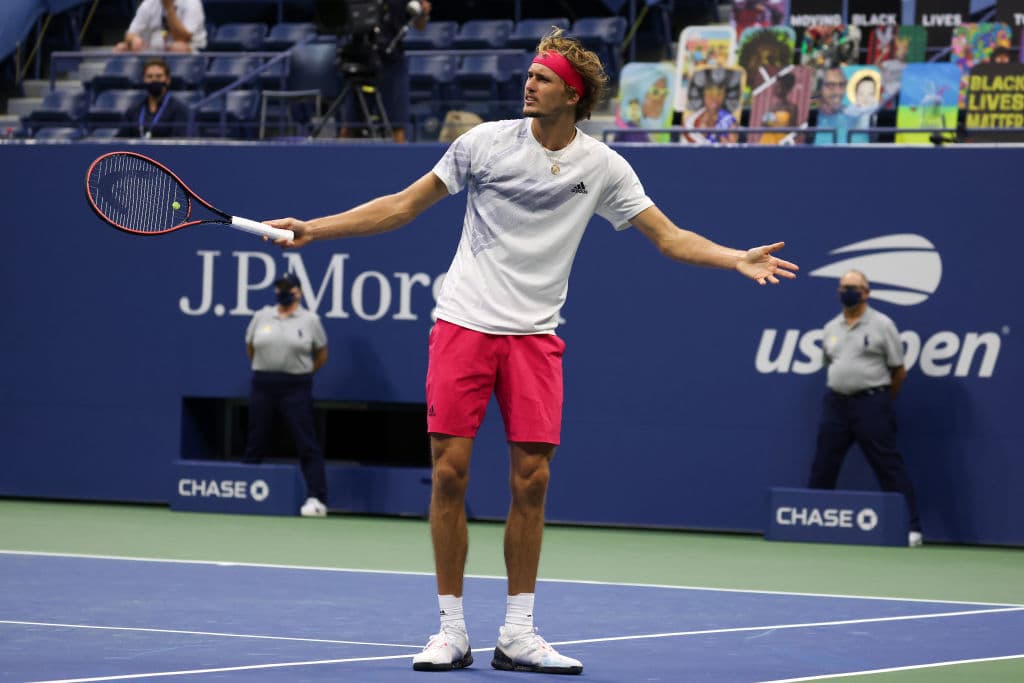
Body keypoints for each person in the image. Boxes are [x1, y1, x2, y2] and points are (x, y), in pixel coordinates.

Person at [264, 28, 798, 673]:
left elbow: (670, 237)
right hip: (463, 324)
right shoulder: (483, 143)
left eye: (543, 78)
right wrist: (314, 229)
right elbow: (403, 206)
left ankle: (517, 631)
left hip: (535, 336)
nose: (529, 84)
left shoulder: (604, 166)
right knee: (449, 473)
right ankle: (450, 629)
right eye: (530, 75)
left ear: (572, 96)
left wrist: (734, 257)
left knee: (533, 480)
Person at [807, 270, 923, 547]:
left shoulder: (883, 325)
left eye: (854, 287)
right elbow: (830, 363)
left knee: (888, 466)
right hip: (836, 405)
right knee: (823, 465)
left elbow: (899, 370)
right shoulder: (831, 327)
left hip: (871, 404)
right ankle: (810, 524)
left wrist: (881, 401)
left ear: (866, 293)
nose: (848, 292)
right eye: (844, 287)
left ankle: (911, 528)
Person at [243, 273, 330, 518]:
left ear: (298, 292)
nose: (282, 291)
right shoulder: (262, 316)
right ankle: (243, 491)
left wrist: (304, 372)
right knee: (255, 439)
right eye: (279, 287)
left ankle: (316, 498)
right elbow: (251, 348)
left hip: (296, 386)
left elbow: (321, 353)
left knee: (306, 441)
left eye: (288, 287)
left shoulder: (310, 320)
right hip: (263, 384)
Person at [341, 0, 432, 142]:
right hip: (362, 59)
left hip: (392, 62)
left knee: (397, 126)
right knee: (349, 126)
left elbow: (420, 26)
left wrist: (423, 13)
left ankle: (400, 157)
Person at [125, 58, 190, 138]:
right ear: (144, 80)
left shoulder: (179, 109)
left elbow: (179, 140)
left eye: (159, 76)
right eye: (149, 76)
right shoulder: (133, 110)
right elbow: (120, 140)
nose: (154, 80)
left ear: (167, 80)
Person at [115, 0, 207, 53]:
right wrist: (133, 40)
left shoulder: (192, 3)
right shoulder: (149, 3)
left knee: (179, 47)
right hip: (152, 49)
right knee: (121, 48)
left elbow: (183, 38)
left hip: (189, 50)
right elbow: (129, 34)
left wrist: (169, 9)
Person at [813, 67, 860, 145]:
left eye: (841, 85)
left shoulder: (853, 115)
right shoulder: (810, 114)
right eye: (831, 85)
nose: (838, 92)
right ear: (820, 87)